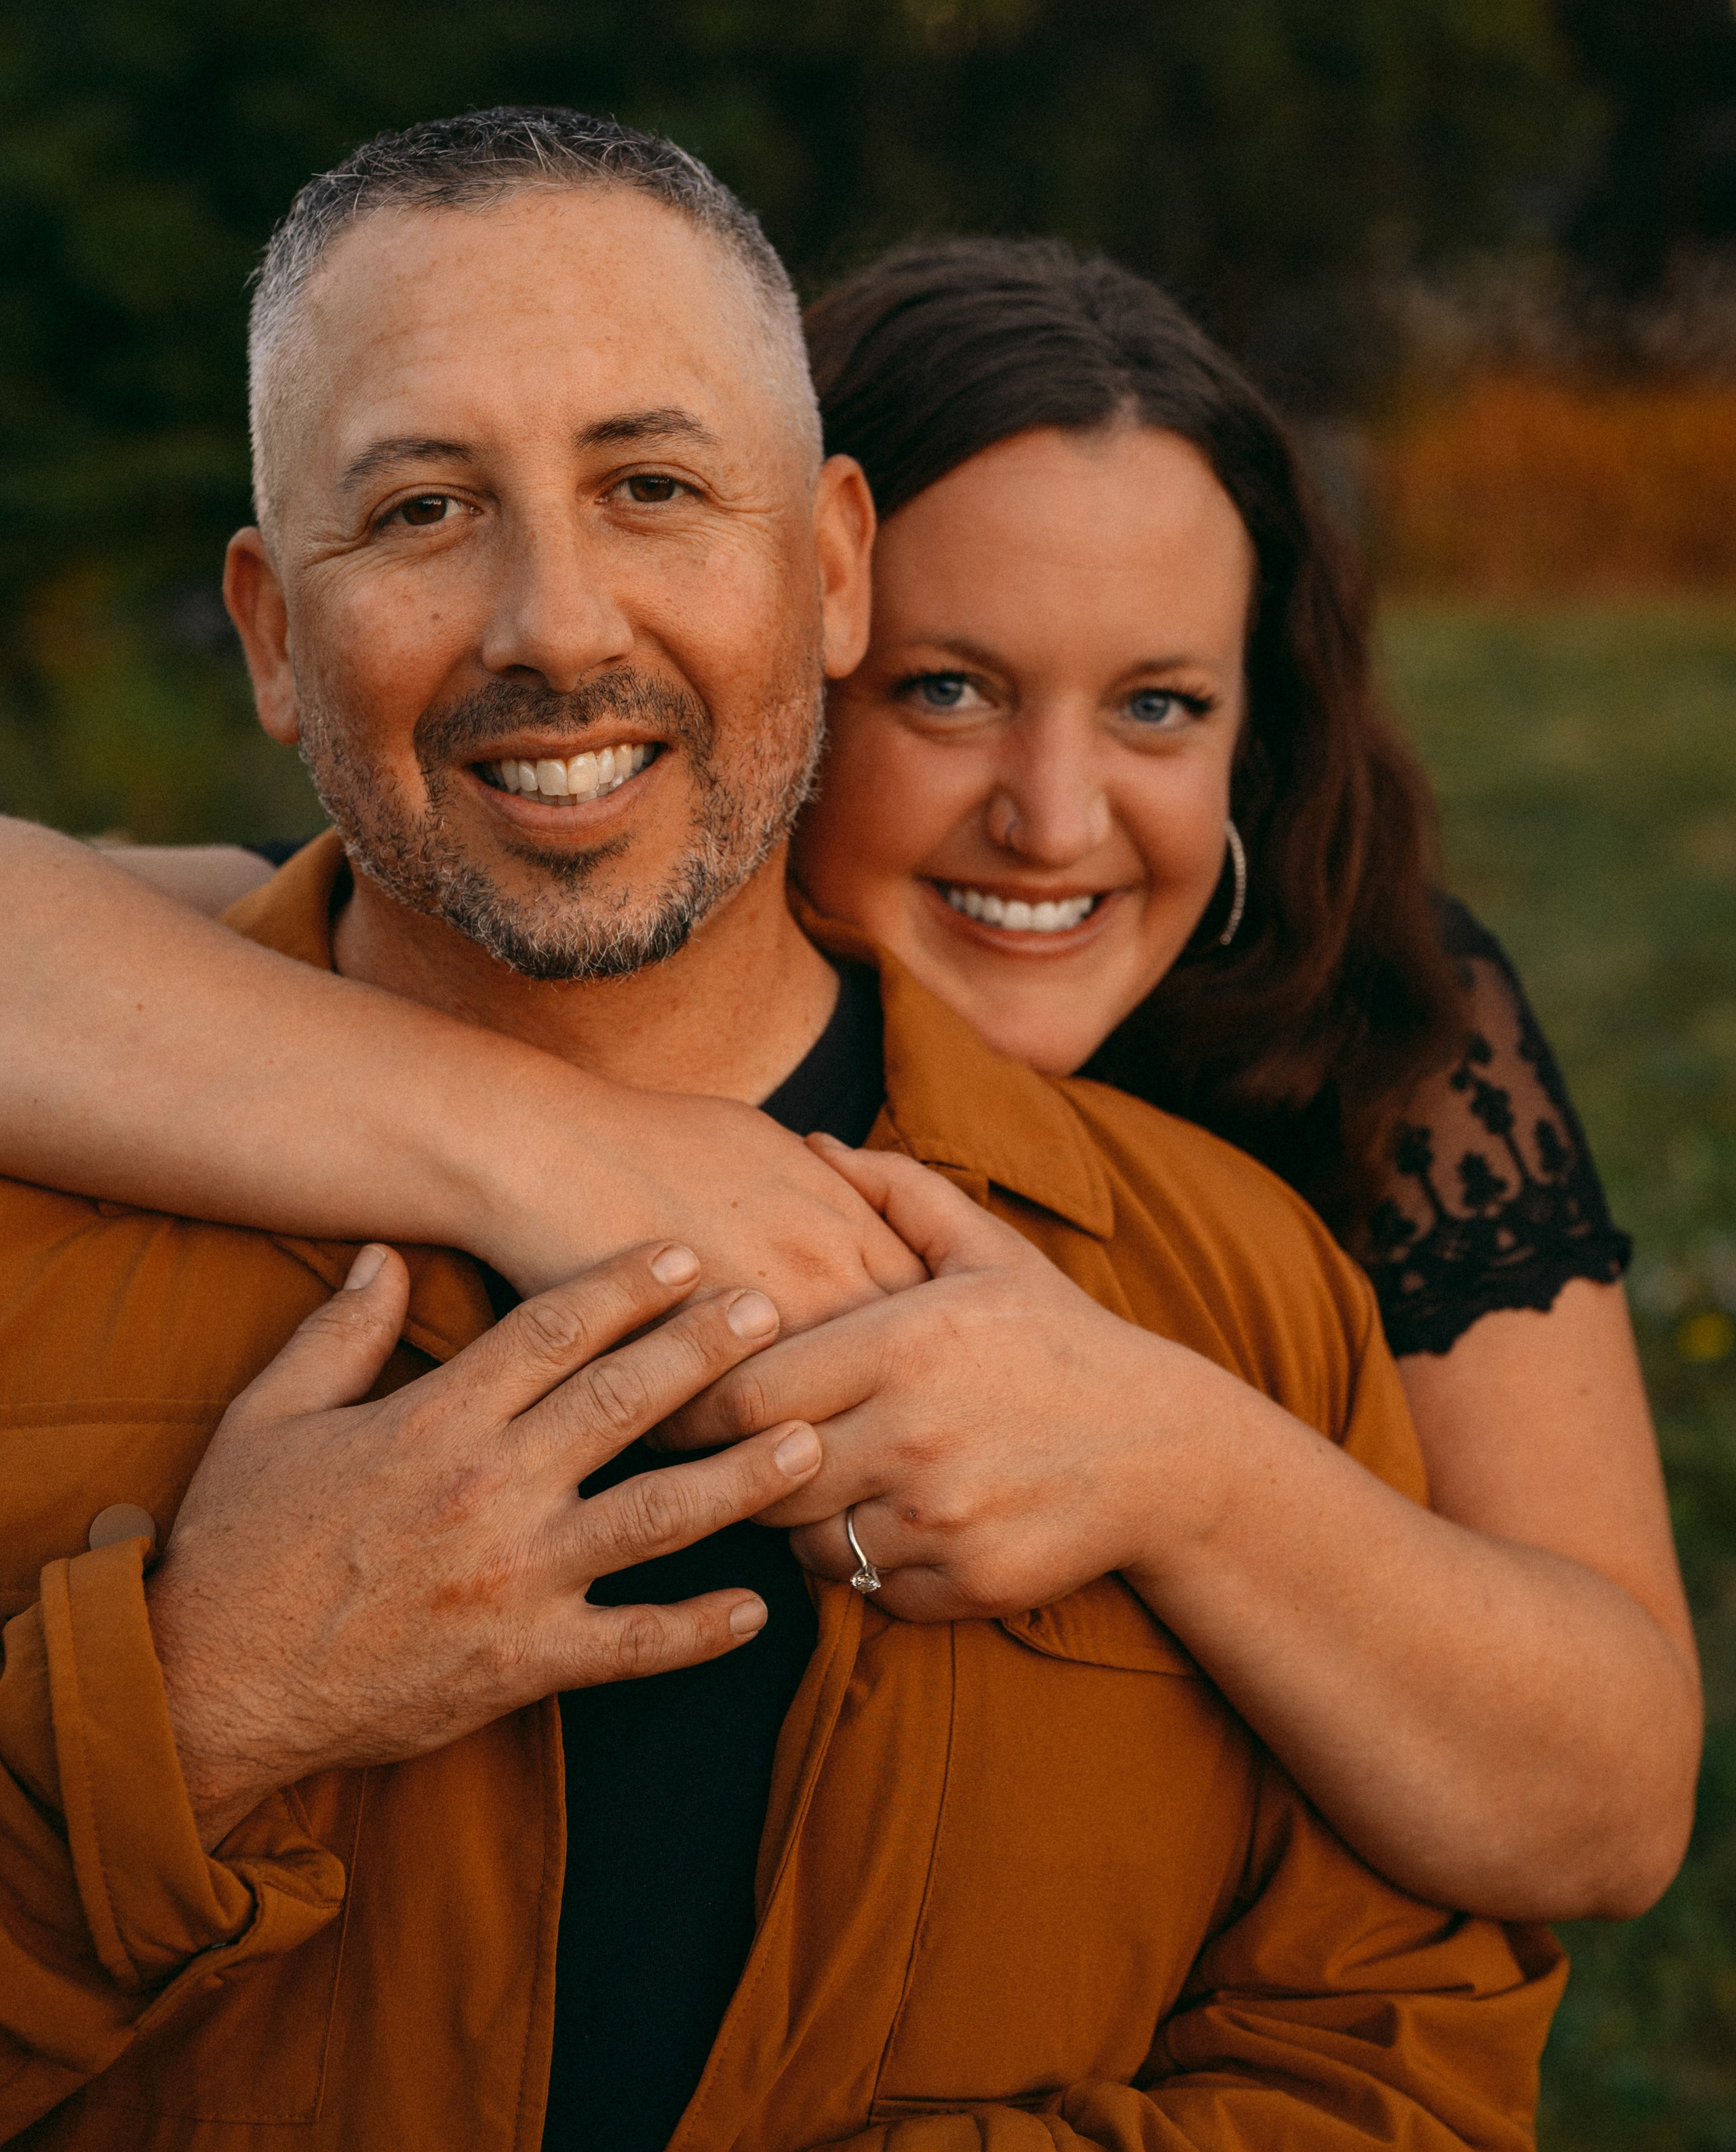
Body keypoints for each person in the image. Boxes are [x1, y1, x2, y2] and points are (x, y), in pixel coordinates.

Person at [0, 107, 1566, 2152]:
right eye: (418, 513)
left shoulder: (1224, 1294)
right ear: (277, 637)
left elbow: (1408, 2070)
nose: (555, 627)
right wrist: (185, 1719)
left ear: (829, 567)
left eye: (652, 486)